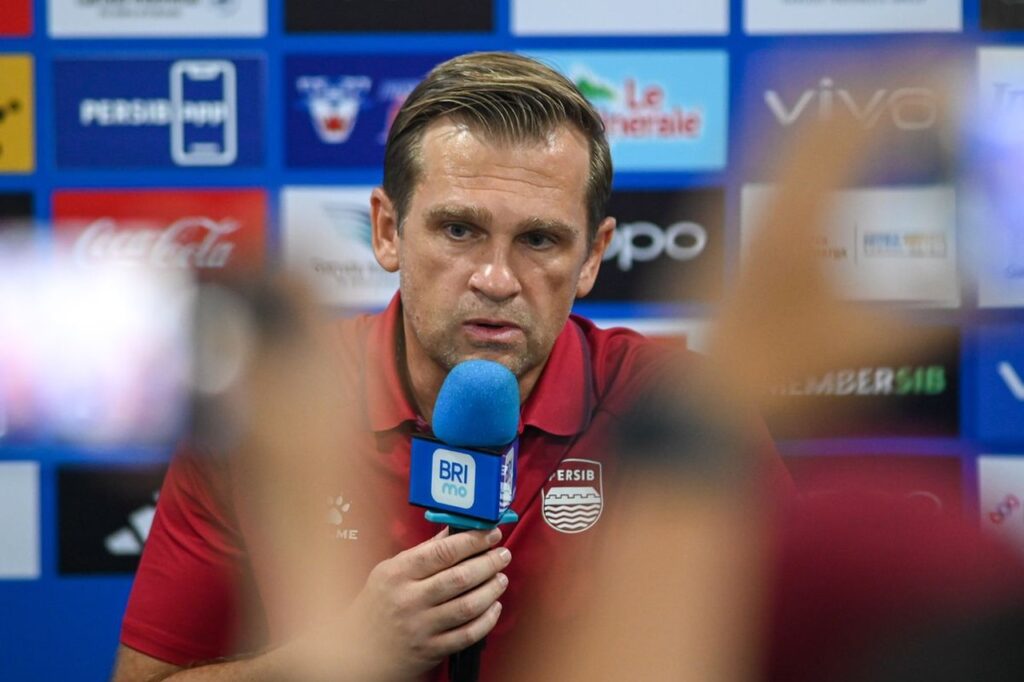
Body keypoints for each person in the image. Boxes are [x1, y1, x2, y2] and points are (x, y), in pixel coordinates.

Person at [112, 51, 791, 681]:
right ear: (387, 231)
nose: (496, 279)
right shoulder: (269, 410)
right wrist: (342, 655)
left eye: (539, 239)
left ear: (592, 256)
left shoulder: (682, 413)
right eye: (459, 230)